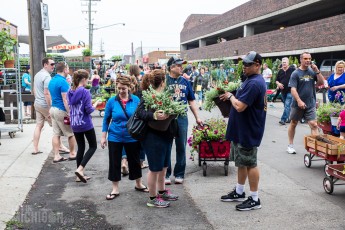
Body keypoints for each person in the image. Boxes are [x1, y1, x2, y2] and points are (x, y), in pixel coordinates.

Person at [219, 51, 266, 211]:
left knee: (250, 163)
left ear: (258, 65)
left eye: (248, 64)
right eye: (243, 63)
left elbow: (240, 106)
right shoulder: (250, 80)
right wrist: (232, 95)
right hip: (243, 129)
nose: (244, 66)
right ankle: (239, 191)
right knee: (242, 163)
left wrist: (231, 97)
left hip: (248, 130)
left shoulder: (254, 83)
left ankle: (254, 198)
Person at [101, 76, 148, 200]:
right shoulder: (112, 101)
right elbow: (106, 119)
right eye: (119, 88)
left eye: (124, 88)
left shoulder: (136, 100)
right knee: (114, 162)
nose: (121, 90)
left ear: (129, 87)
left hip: (132, 136)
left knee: (135, 161)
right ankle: (115, 188)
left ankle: (138, 183)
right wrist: (103, 137)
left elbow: (141, 117)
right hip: (114, 136)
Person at [136, 69, 179, 208]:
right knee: (154, 168)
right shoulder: (148, 95)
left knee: (164, 166)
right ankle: (153, 198)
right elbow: (140, 113)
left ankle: (162, 192)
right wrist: (154, 115)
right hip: (152, 136)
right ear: (162, 81)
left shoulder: (166, 95)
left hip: (166, 135)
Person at [165, 56, 203, 185]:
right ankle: (166, 174)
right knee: (166, 146)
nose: (182, 68)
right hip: (166, 118)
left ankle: (179, 173)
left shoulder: (185, 81)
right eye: (179, 65)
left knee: (181, 145)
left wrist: (197, 117)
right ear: (172, 67)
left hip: (182, 117)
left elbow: (191, 100)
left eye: (182, 65)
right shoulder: (164, 81)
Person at [287, 52, 326, 154]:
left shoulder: (312, 72)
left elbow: (321, 83)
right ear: (301, 60)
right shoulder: (295, 73)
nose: (308, 60)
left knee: (313, 124)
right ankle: (290, 145)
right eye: (305, 58)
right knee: (294, 123)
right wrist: (299, 101)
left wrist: (317, 71)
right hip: (297, 104)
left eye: (309, 58)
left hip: (310, 103)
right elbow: (293, 89)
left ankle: (316, 148)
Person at [68, 69, 101, 183]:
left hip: (75, 123)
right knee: (93, 146)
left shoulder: (70, 91)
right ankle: (80, 169)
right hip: (85, 123)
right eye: (87, 79)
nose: (88, 81)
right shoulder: (85, 92)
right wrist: (95, 104)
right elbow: (89, 109)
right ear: (83, 79)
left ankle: (79, 175)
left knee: (81, 147)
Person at [48, 62, 77, 163]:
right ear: (65, 70)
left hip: (53, 109)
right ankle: (72, 153)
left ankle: (56, 155)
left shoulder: (52, 81)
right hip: (62, 110)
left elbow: (50, 96)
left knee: (56, 134)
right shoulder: (63, 82)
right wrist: (69, 112)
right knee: (71, 133)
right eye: (68, 68)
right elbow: (65, 99)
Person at [276, 58, 295, 125]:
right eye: (283, 62)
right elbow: (277, 80)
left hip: (290, 90)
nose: (284, 63)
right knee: (286, 106)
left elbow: (297, 78)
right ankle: (290, 118)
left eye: (285, 62)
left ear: (288, 62)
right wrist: (278, 84)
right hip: (283, 91)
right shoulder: (280, 71)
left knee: (287, 105)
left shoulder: (292, 70)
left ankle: (283, 119)